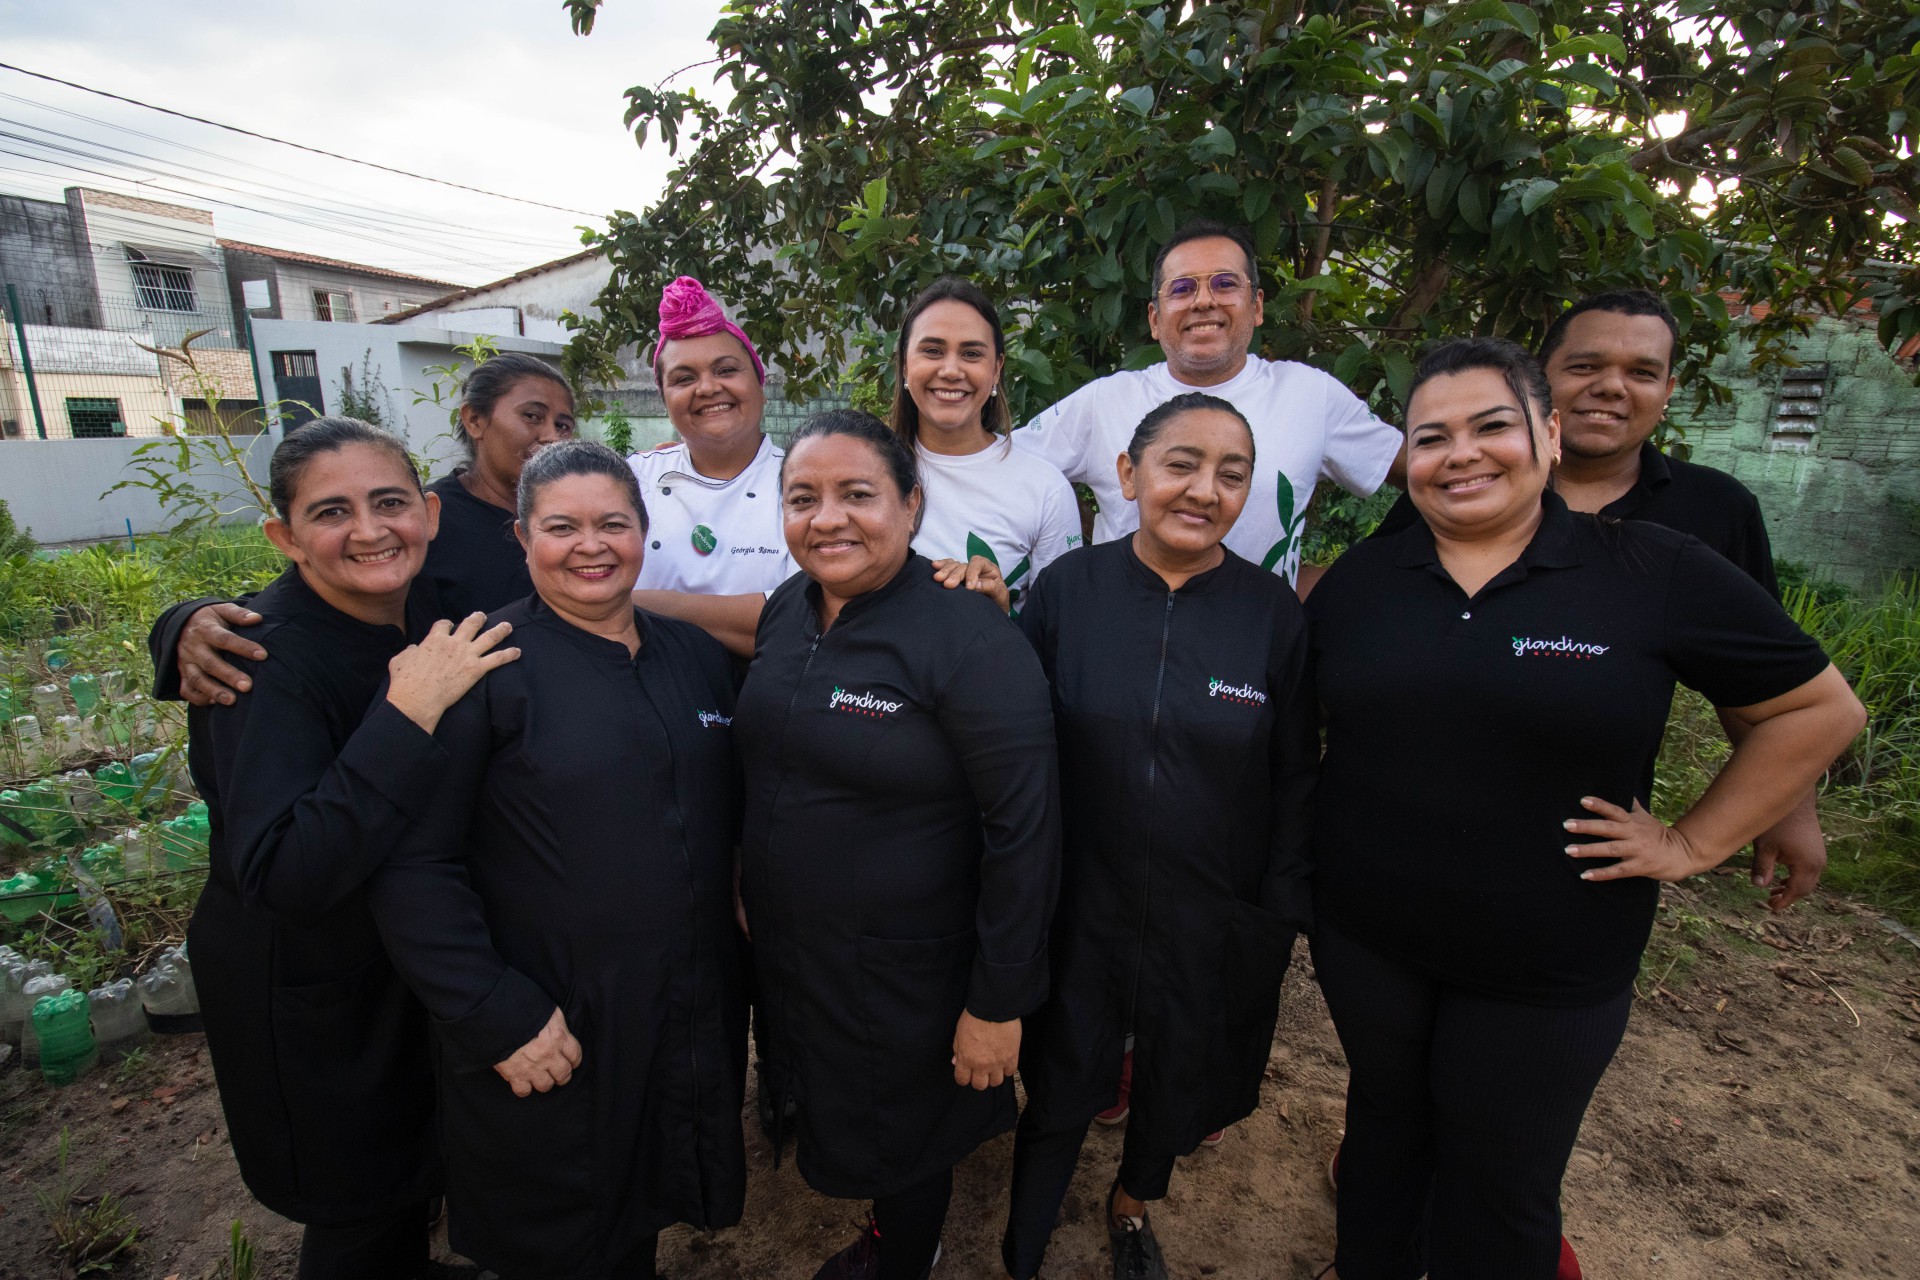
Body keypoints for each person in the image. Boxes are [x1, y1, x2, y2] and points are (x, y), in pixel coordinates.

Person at [1305, 338, 1865, 1280]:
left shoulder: (1649, 570)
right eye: (1432, 437)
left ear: (1549, 436)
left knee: (1501, 1182)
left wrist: (1692, 841)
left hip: (1549, 959)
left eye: (1493, 426)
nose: (1463, 454)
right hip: (1368, 940)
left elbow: (1817, 709)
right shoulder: (1365, 581)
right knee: (1384, 1143)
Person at [369, 440, 749, 1279]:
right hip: (547, 1015)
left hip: (675, 1006)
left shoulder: (690, 655)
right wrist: (492, 1012)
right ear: (521, 536)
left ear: (644, 532)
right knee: (561, 1233)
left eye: (613, 523)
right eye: (562, 527)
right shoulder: (481, 666)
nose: (591, 545)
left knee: (640, 1213)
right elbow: (410, 866)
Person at [179, 416, 521, 1279]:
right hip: (307, 986)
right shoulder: (263, 660)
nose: (370, 531)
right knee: (359, 1205)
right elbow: (287, 870)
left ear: (431, 514)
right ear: (285, 538)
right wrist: (405, 713)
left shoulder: (430, 612)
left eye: (389, 503)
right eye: (332, 513)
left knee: (412, 1176)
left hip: (396, 966)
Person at [1367, 288, 1827, 909]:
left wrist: (1775, 811)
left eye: (1642, 372)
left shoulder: (1709, 515)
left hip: (1572, 866)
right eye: (1585, 366)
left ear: (1666, 394)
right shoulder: (1459, 488)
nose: (1611, 387)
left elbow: (1770, 686)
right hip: (1409, 845)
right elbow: (1374, 604)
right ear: (1540, 383)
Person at [734, 409, 1061, 1280]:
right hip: (803, 949)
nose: (828, 517)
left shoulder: (969, 635)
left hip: (913, 963)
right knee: (845, 1102)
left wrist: (998, 1003)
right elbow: (769, 763)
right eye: (803, 497)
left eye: (858, 494)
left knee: (905, 1131)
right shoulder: (785, 611)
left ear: (912, 506)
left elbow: (1025, 829)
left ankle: (903, 1254)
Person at [1004, 393, 1317, 1280]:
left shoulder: (1270, 613)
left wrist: (1277, 909)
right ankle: (1022, 1246)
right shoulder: (1069, 591)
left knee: (1178, 1078)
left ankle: (1133, 1209)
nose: (1204, 489)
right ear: (1130, 475)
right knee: (1063, 1079)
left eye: (1232, 473)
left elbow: (1296, 772)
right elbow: (1018, 745)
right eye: (1182, 464)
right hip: (1080, 899)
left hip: (1211, 909)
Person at [151, 351, 577, 706]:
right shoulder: (417, 520)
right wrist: (184, 622)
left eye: (562, 424)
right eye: (532, 416)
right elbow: (313, 596)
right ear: (475, 420)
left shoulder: (564, 516)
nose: (550, 436)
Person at [1013, 218, 1403, 588]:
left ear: (1257, 306)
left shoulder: (1309, 395)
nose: (1203, 301)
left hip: (1258, 643)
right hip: (1124, 640)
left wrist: (1358, 588)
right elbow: (998, 469)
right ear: (1154, 318)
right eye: (1182, 289)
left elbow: (1431, 477)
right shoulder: (1106, 401)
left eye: (1225, 284)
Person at [889, 276, 1081, 613]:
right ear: (905, 365)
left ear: (996, 369)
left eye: (971, 353)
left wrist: (998, 612)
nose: (950, 370)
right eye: (932, 351)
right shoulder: (866, 473)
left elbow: (1060, 637)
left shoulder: (1045, 489)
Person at [626, 275, 794, 656]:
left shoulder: (806, 481)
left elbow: (802, 620)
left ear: (759, 383)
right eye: (684, 378)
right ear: (664, 398)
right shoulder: (631, 479)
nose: (707, 388)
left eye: (726, 370)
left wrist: (635, 604)